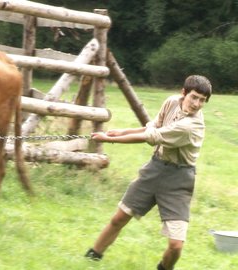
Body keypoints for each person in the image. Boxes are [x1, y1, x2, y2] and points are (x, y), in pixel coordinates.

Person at [84, 75, 212, 270]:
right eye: (194, 97)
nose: (197, 104)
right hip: (155, 169)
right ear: (183, 92)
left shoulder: (192, 126)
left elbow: (152, 136)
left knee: (176, 245)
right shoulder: (171, 102)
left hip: (179, 180)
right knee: (119, 218)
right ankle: (92, 258)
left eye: (202, 100)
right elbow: (152, 126)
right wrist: (121, 132)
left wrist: (109, 139)